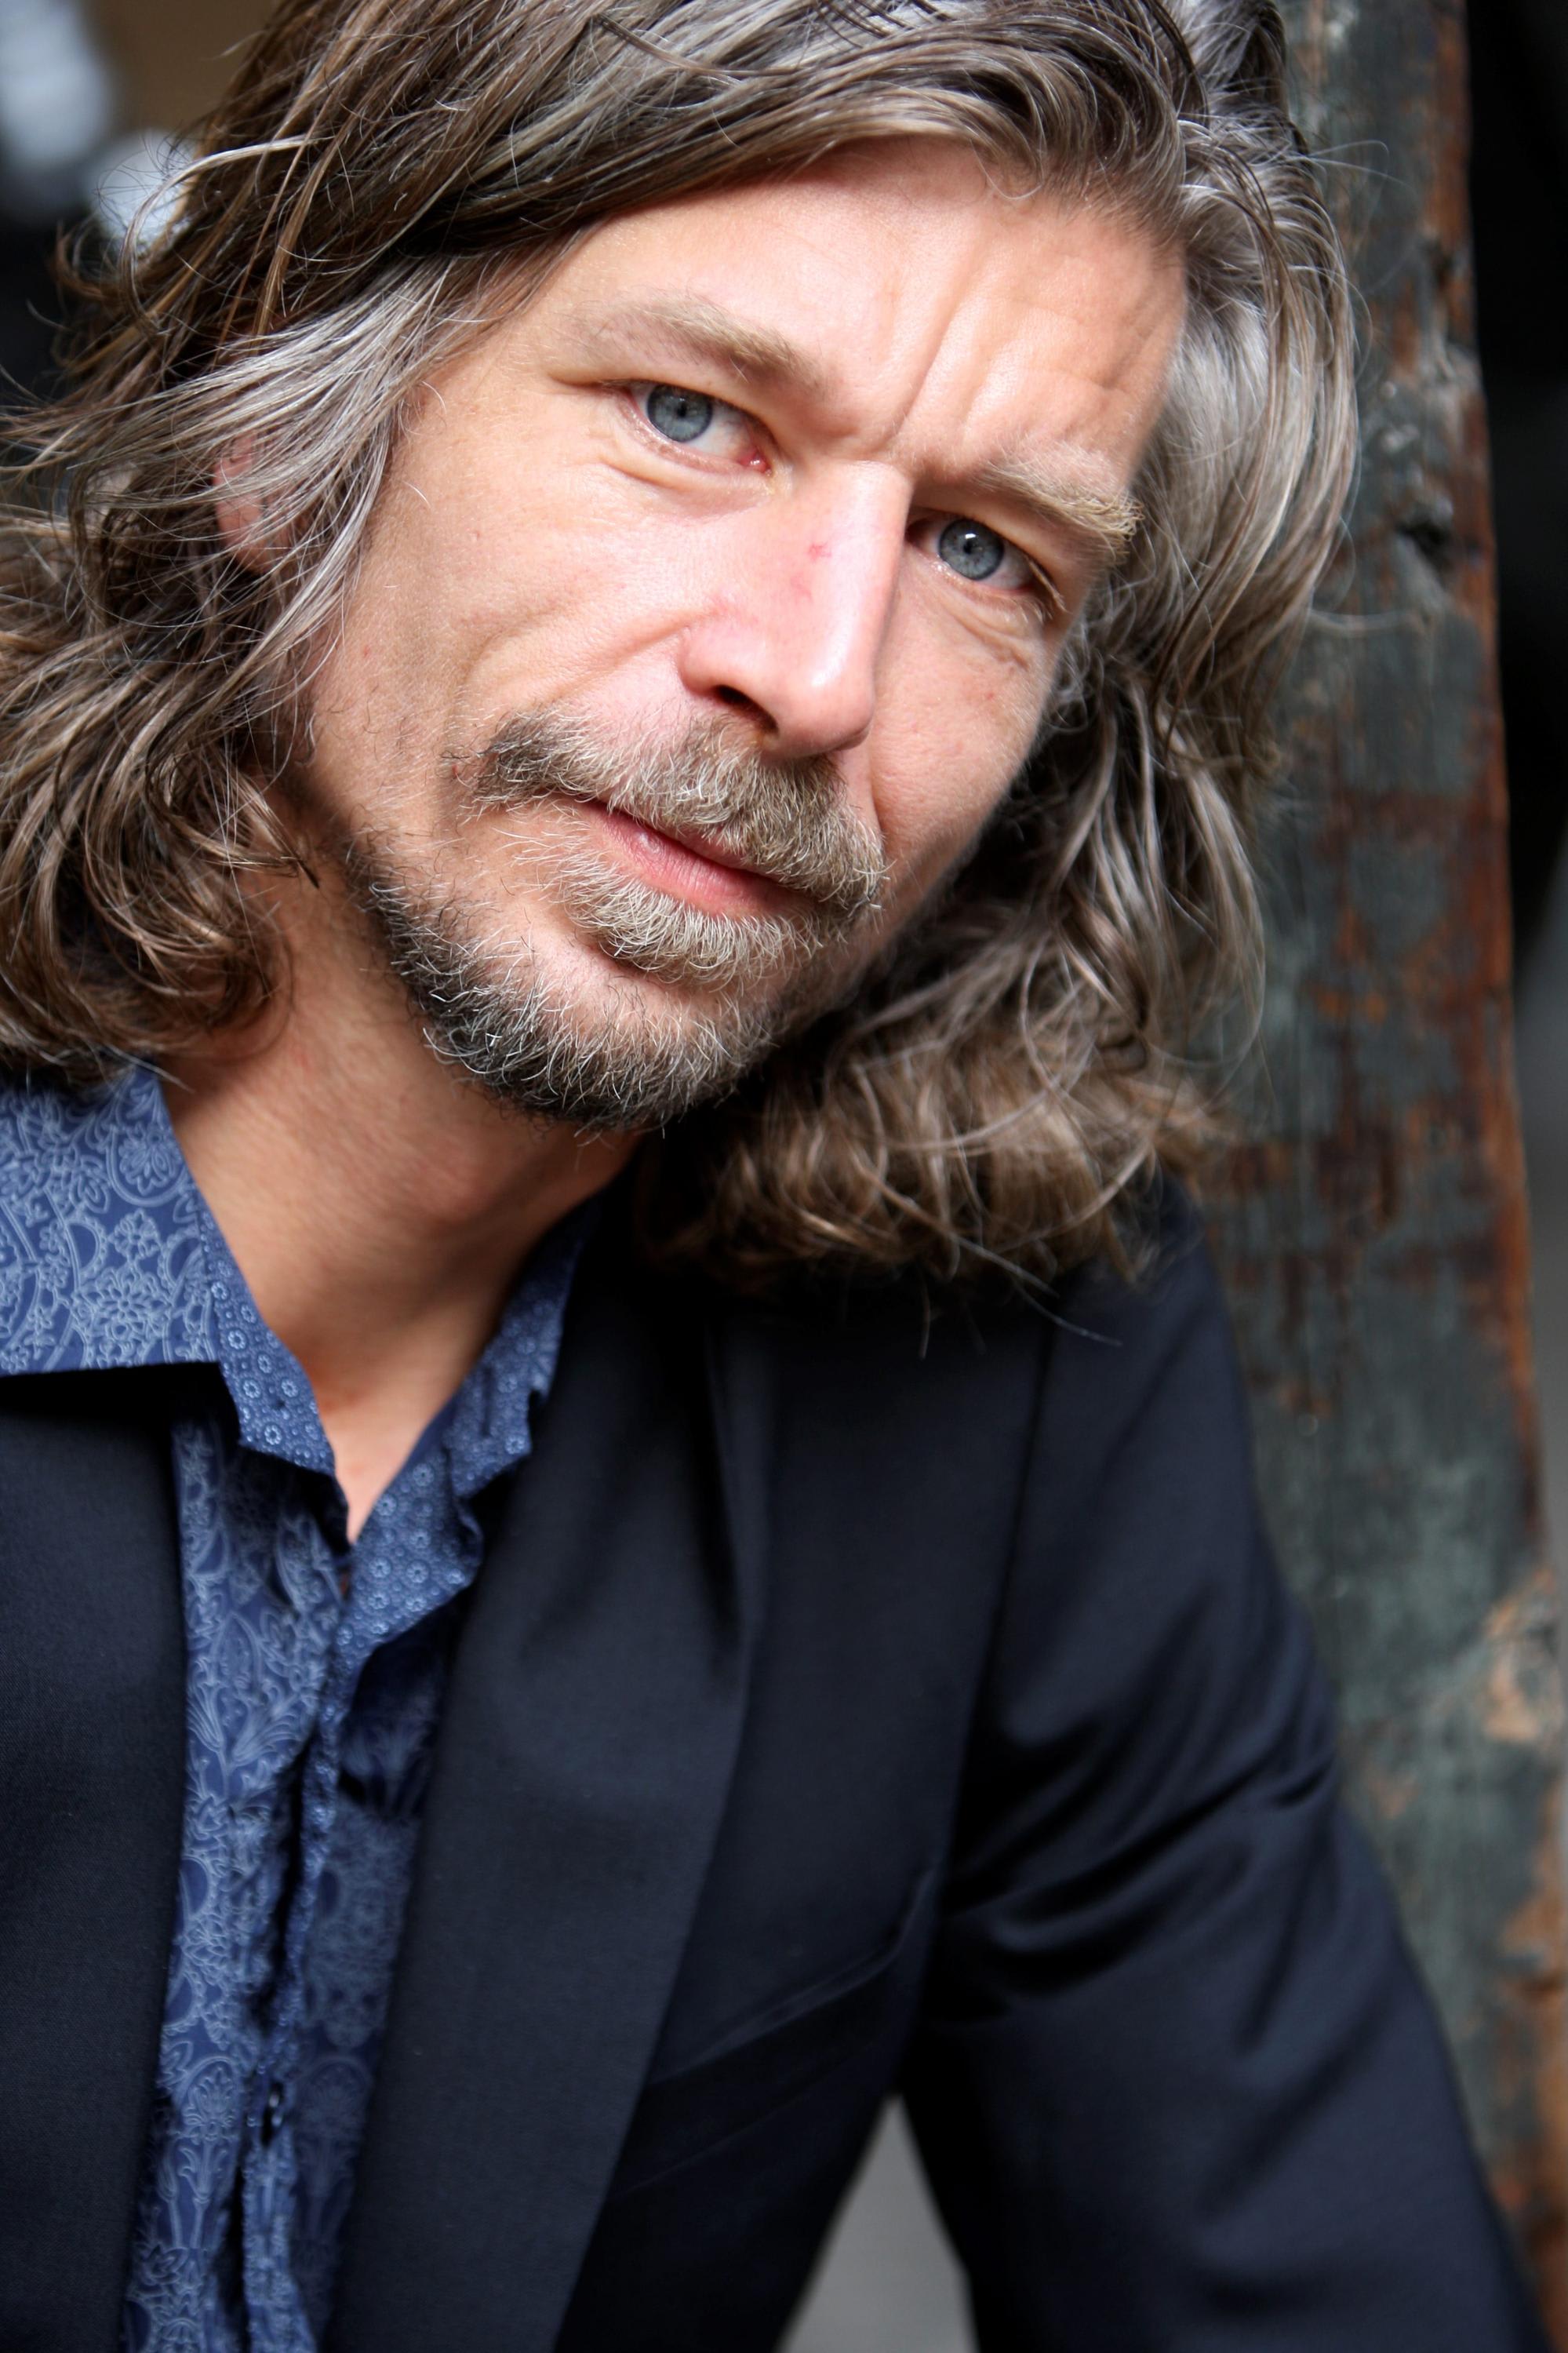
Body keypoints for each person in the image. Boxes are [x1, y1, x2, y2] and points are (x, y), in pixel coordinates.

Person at [0, 2, 1550, 2348]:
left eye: (982, 551)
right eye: (691, 418)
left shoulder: (1006, 1339)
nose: (820, 675)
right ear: (282, 424)